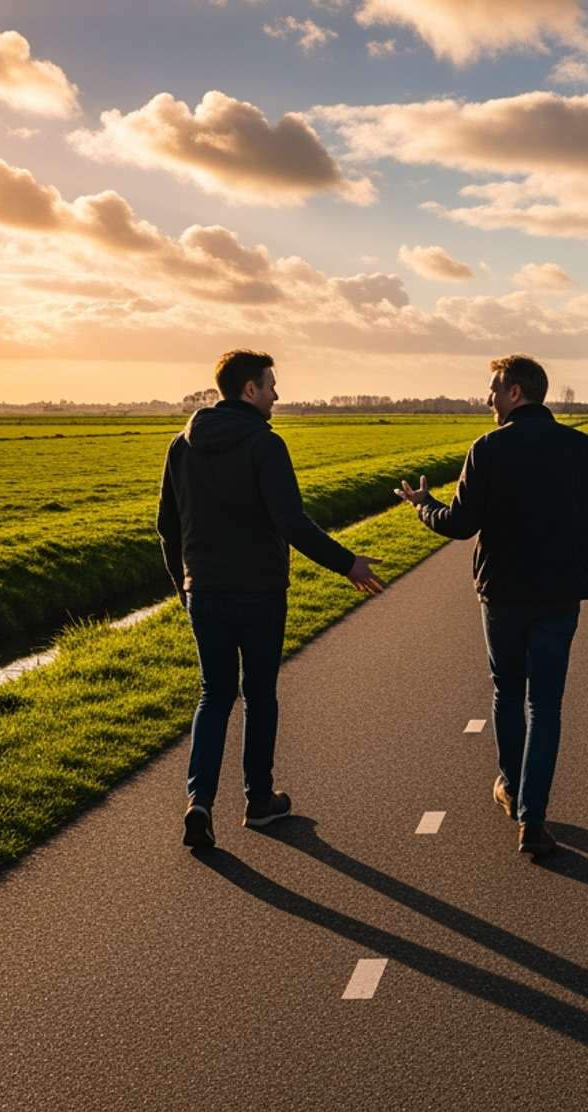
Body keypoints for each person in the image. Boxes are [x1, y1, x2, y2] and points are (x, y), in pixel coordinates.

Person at [157, 349, 384, 849]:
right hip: (259, 591)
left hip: (204, 592)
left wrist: (183, 585)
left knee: (214, 694)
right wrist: (347, 563)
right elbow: (291, 522)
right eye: (270, 385)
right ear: (250, 390)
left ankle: (199, 802)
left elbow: (167, 527)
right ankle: (258, 800)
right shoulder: (265, 444)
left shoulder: (182, 445)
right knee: (259, 693)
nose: (277, 395)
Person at [396, 353, 588, 859]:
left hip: (502, 593)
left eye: (494, 389)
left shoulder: (488, 448)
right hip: (560, 592)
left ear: (515, 392)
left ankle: (512, 788)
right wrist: (565, 537)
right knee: (546, 704)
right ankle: (532, 819)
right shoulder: (581, 447)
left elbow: (460, 524)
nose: (488, 399)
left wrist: (423, 506)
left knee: (508, 691)